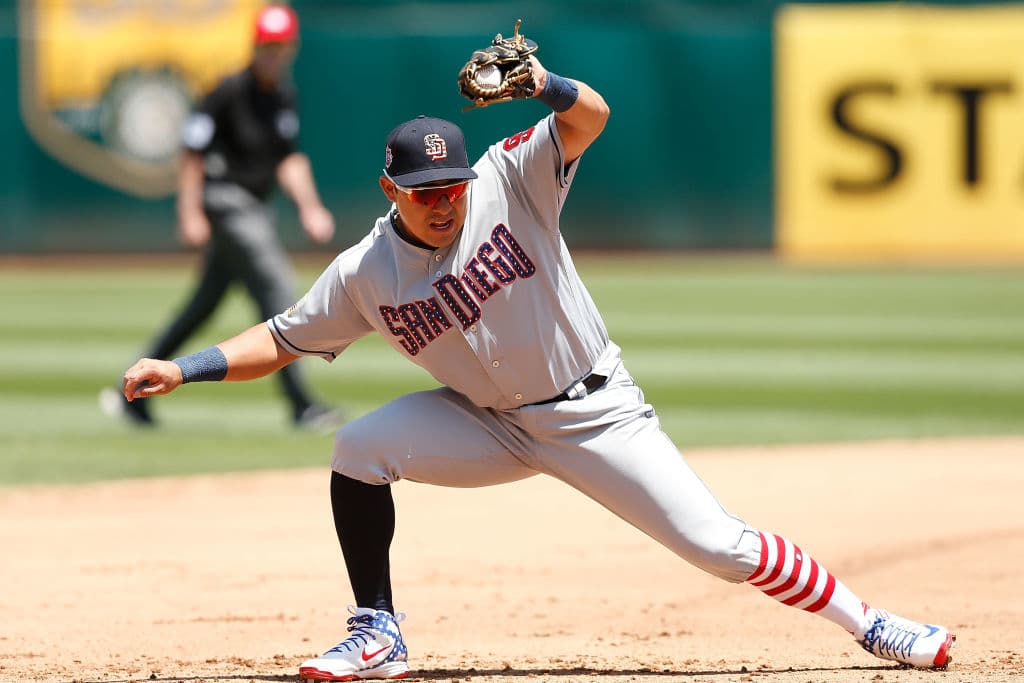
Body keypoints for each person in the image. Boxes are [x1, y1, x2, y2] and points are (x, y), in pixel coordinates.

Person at [119, 49, 955, 681]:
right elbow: (282, 337)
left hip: (595, 413)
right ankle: (376, 631)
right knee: (358, 449)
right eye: (426, 189)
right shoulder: (364, 272)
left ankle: (874, 622)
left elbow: (589, 118)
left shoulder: (510, 179)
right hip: (489, 423)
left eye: (451, 182)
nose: (446, 198)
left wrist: (545, 84)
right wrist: (182, 369)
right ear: (390, 188)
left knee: (717, 544)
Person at [105, 4, 342, 430]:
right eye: (266, 45)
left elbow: (288, 157)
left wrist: (309, 206)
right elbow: (192, 154)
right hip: (226, 202)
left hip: (254, 206)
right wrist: (190, 212)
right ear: (255, 45)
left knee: (203, 305)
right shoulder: (228, 90)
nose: (272, 54)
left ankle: (134, 389)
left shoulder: (282, 95)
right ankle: (301, 404)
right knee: (277, 288)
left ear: (291, 48)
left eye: (280, 46)